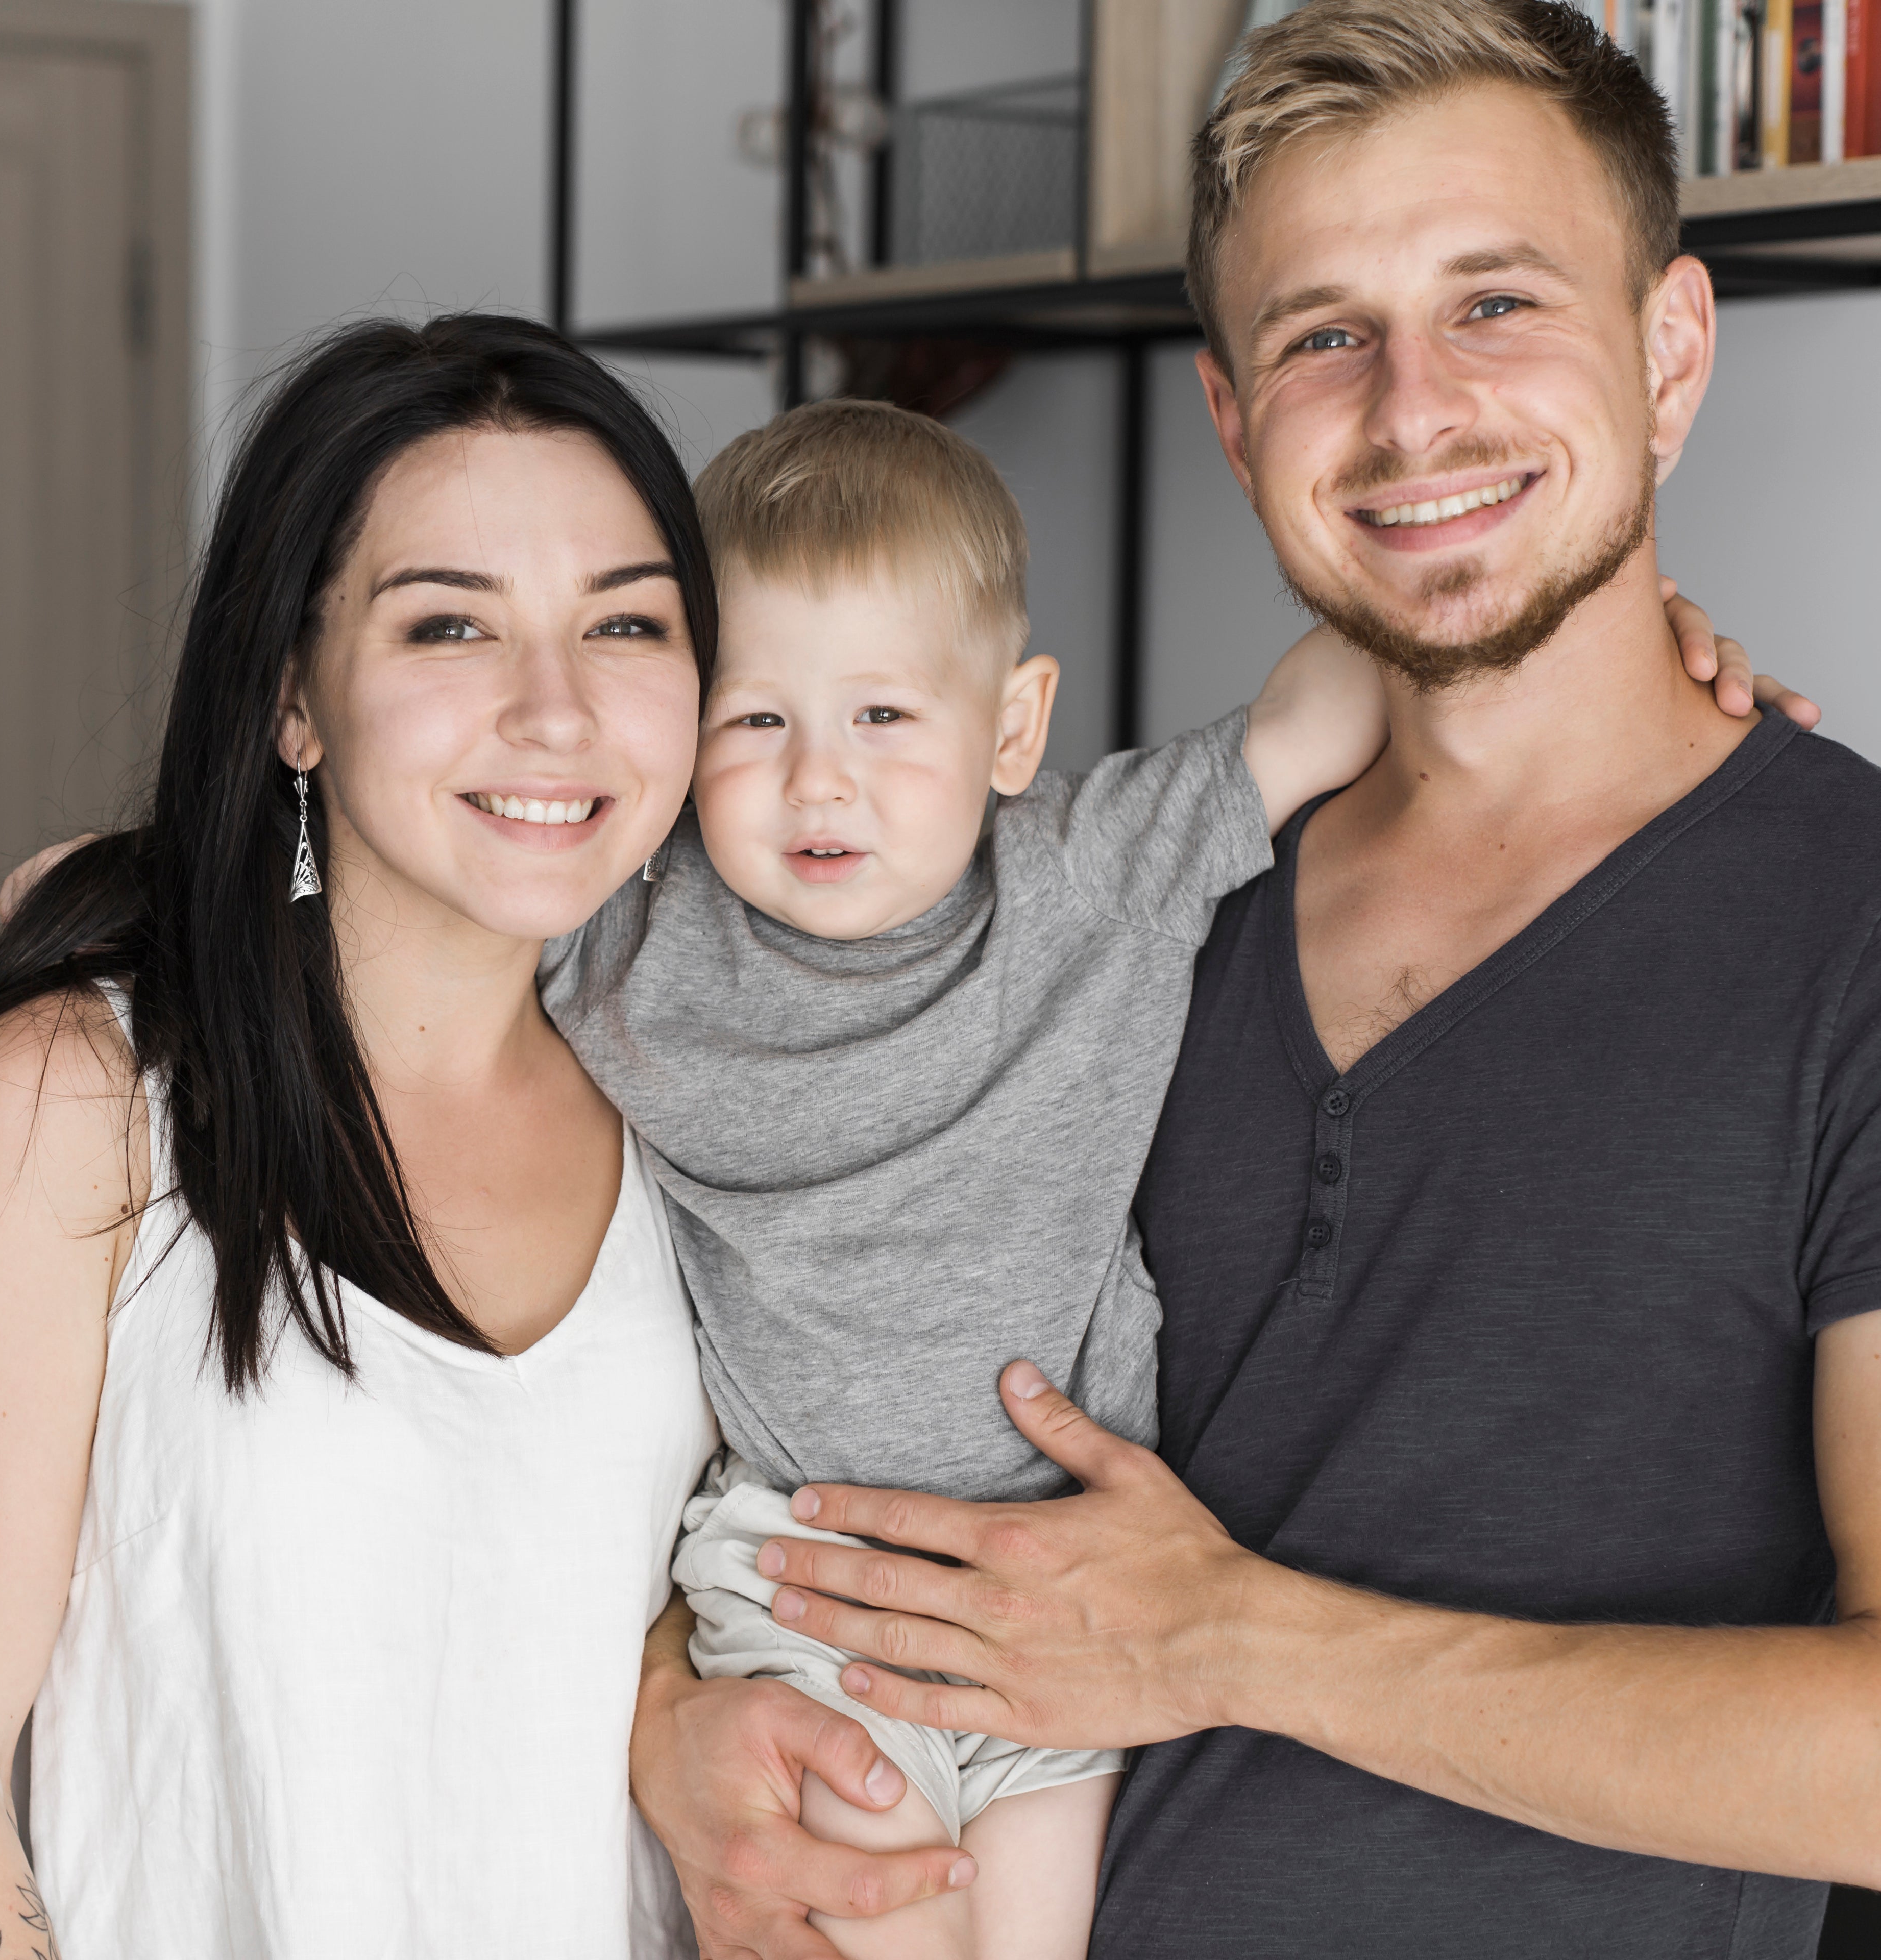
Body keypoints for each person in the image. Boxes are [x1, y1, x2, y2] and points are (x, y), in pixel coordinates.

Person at [631, 4, 1881, 1958]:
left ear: (1669, 354)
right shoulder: (1104, 911)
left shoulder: (1855, 931)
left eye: (1495, 303)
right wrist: (665, 1724)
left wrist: (1239, 1643)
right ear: (1234, 422)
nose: (1411, 411)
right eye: (1322, 334)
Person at [539, 395, 1396, 1960]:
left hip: (1072, 1592)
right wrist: (147, 896)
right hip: (809, 1590)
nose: (819, 783)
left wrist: (1611, 630)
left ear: (1010, 728)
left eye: (882, 718)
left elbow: (1325, 710)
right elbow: (386, 888)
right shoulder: (633, 943)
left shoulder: (1087, 871)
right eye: (754, 721)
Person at [0, 314, 723, 1957]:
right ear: (296, 696)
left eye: (626, 624)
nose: (557, 711)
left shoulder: (711, 1117)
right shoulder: (79, 1105)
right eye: (451, 627)